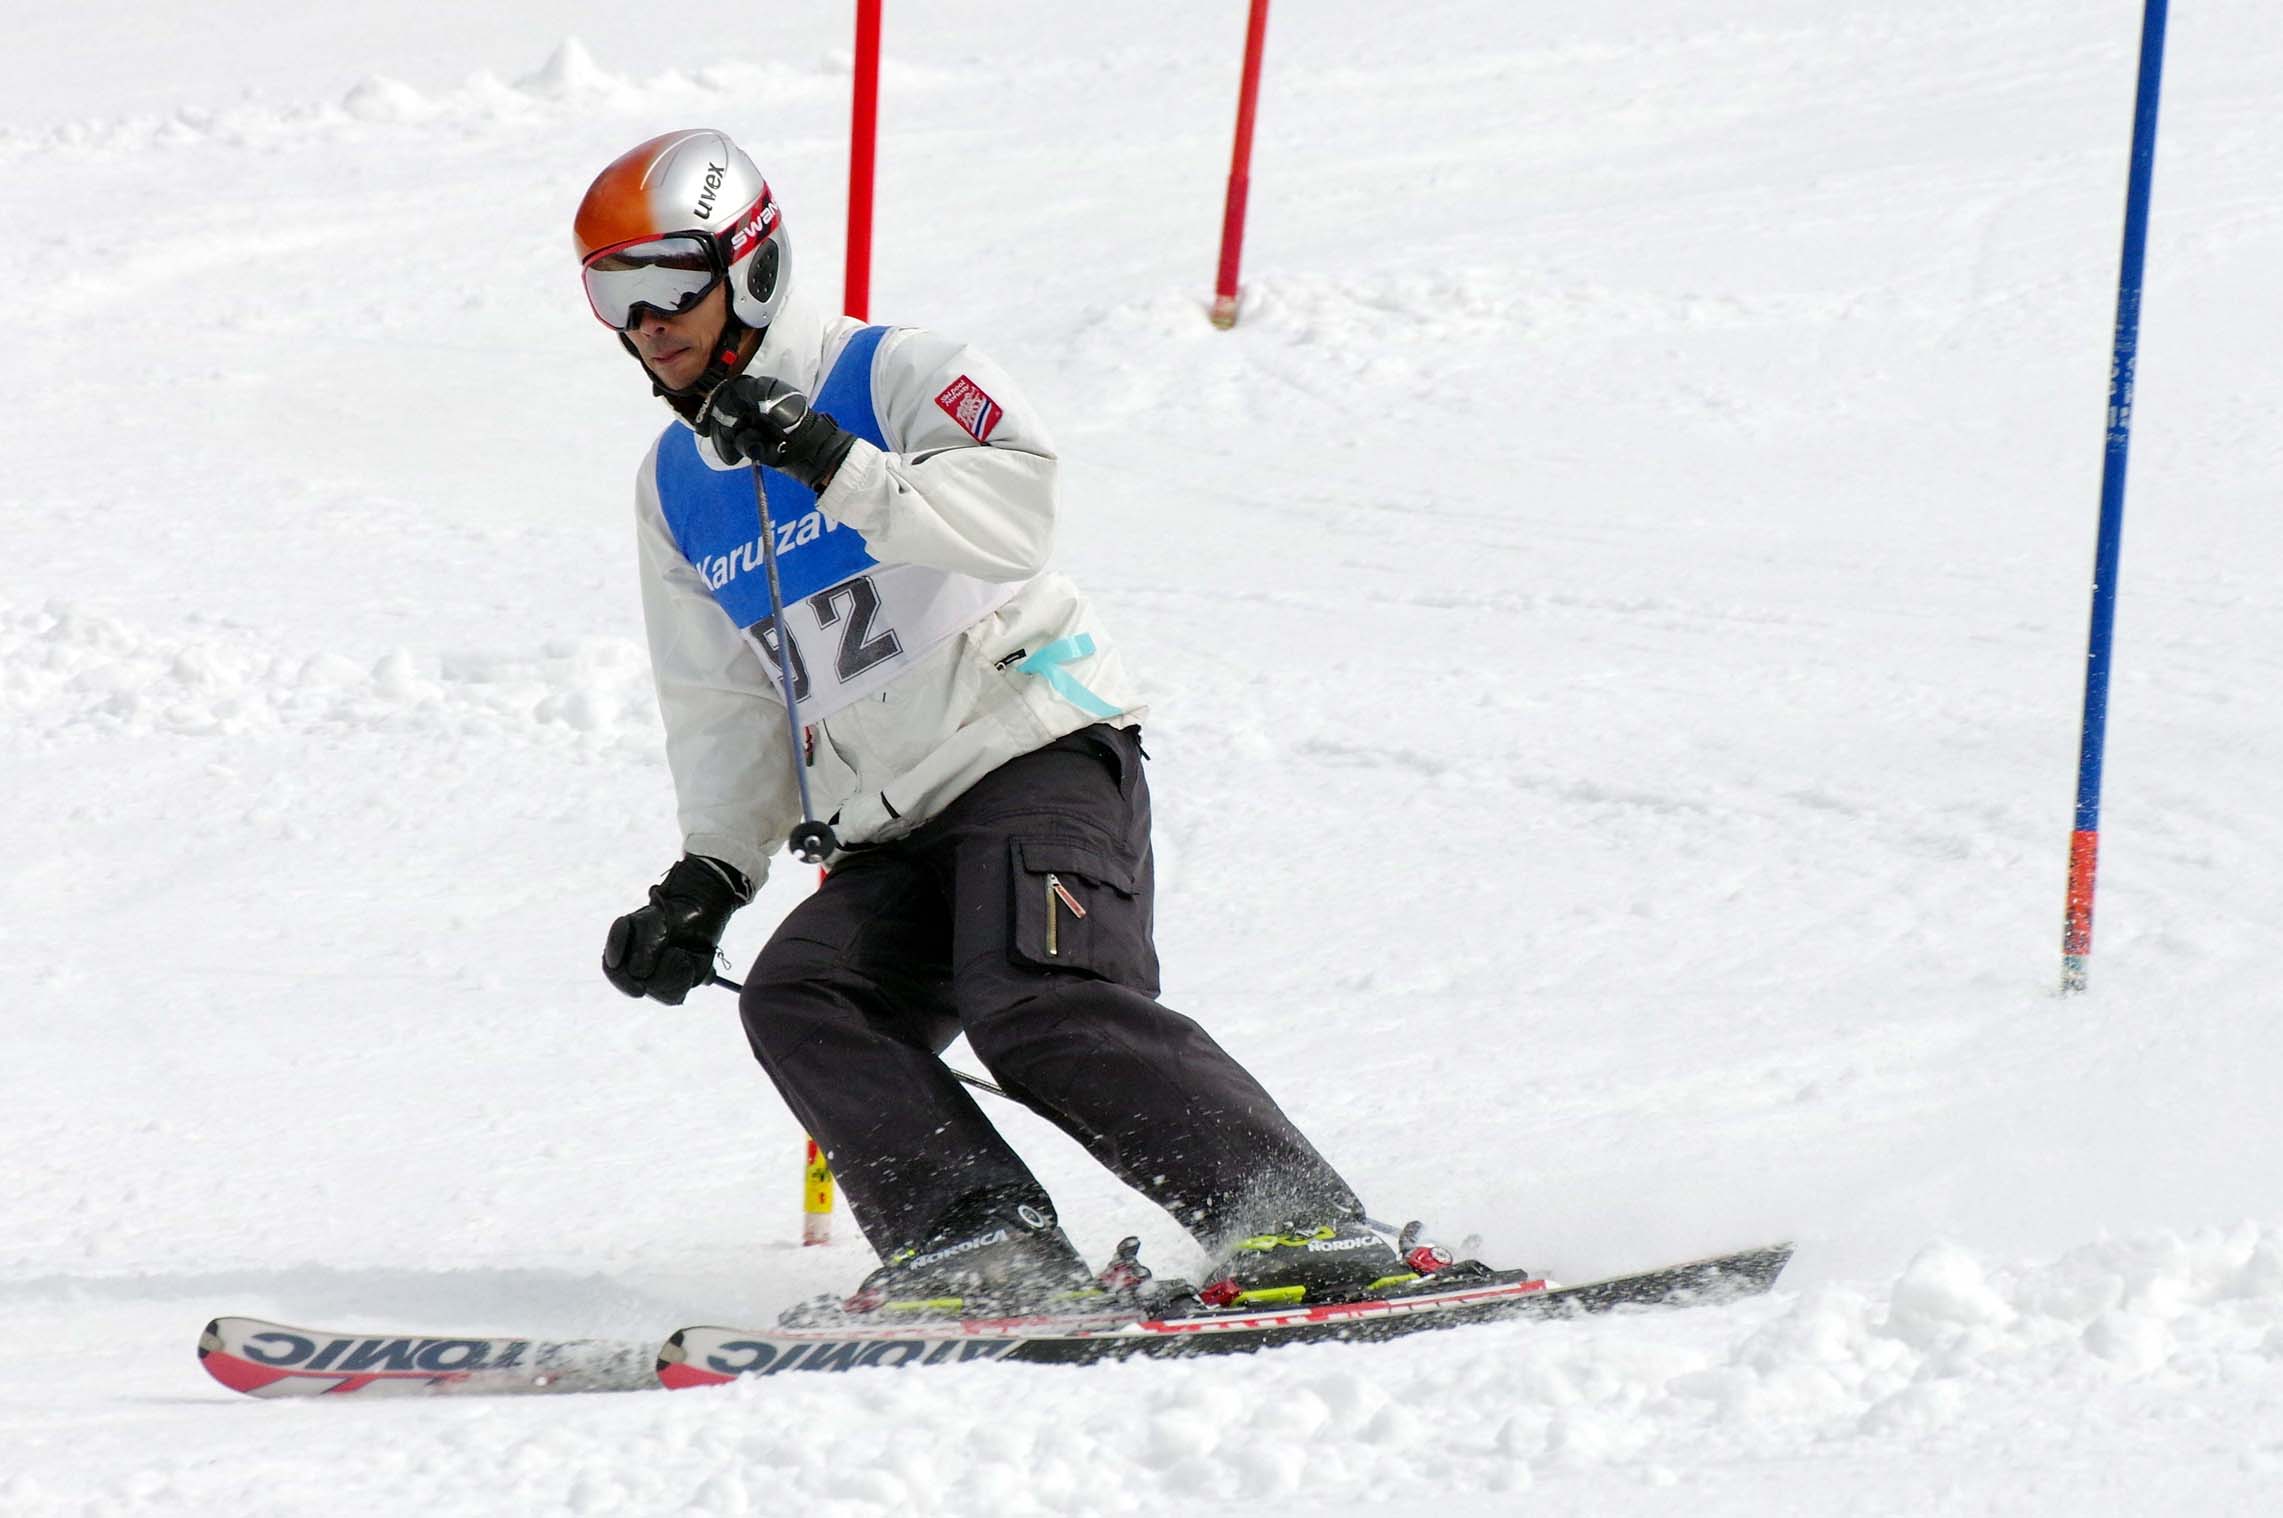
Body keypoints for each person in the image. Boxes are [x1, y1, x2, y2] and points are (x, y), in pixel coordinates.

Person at [576, 129, 1441, 1318]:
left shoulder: (896, 374)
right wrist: (710, 876)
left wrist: (830, 458)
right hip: (890, 828)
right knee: (808, 997)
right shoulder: (675, 485)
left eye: (669, 280)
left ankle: (1298, 1220)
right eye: (611, 293)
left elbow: (1014, 518)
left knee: (1038, 1000)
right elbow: (724, 699)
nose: (645, 321)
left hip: (1032, 753)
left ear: (752, 263)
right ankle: (980, 1245)